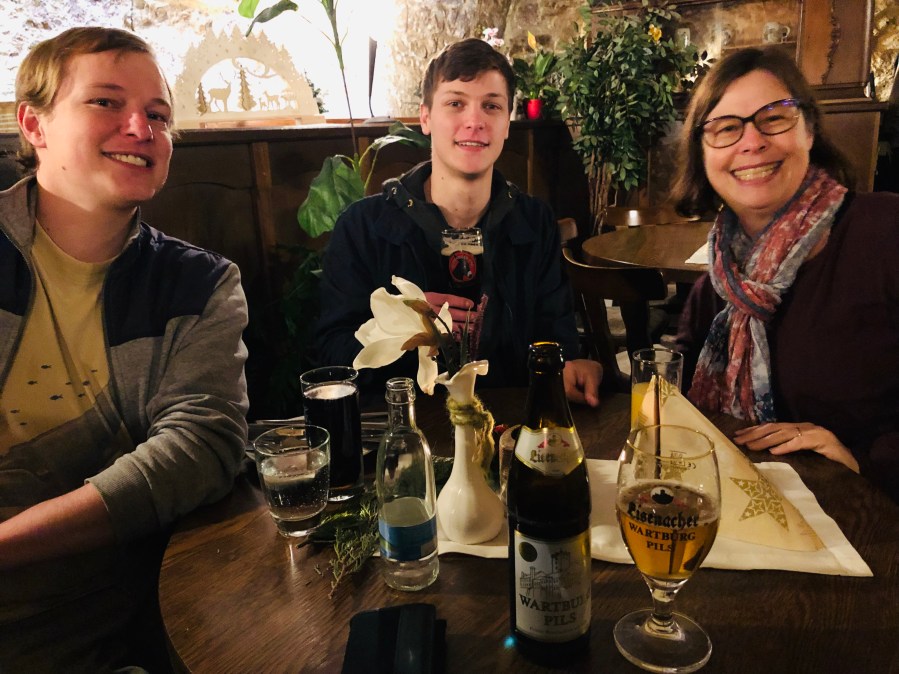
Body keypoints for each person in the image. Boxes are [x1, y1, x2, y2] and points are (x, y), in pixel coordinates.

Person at [0, 27, 249, 670]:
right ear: (34, 124)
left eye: (158, 115)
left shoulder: (198, 283)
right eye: (106, 102)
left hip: (105, 625)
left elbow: (201, 444)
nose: (141, 128)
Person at [316, 38, 602, 405]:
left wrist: (571, 368)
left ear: (507, 124)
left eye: (491, 106)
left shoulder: (534, 221)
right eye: (455, 103)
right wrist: (409, 332)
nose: (475, 121)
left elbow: (558, 340)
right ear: (425, 118)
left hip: (510, 423)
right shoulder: (362, 228)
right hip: (407, 425)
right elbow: (332, 355)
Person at [671, 47, 899, 502]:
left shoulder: (885, 232)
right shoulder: (720, 279)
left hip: (869, 513)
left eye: (773, 118)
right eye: (726, 128)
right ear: (702, 153)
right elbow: (676, 388)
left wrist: (864, 462)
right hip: (751, 510)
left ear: (809, 130)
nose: (751, 142)